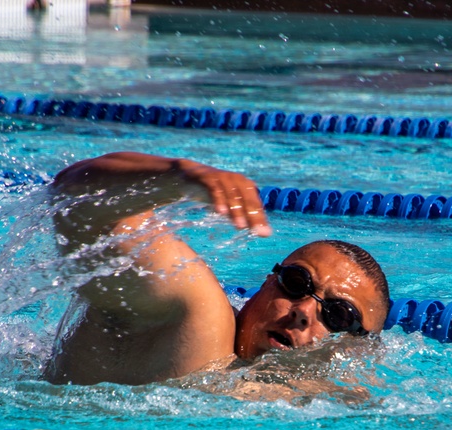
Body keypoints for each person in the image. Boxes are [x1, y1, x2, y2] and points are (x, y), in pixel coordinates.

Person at [43, 151, 391, 386]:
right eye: (297, 283)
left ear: (360, 349)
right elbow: (78, 203)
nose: (302, 311)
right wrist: (179, 177)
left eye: (339, 315)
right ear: (268, 282)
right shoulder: (194, 314)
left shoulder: (338, 399)